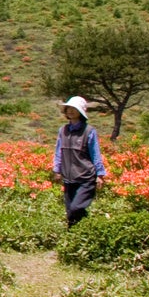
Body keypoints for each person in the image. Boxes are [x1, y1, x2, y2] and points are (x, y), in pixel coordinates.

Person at [53, 95, 107, 227]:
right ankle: (75, 237)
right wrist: (57, 170)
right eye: (68, 108)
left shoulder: (89, 131)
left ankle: (87, 229)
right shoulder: (63, 130)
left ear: (81, 112)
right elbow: (59, 151)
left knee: (76, 208)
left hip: (86, 178)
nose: (70, 111)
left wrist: (100, 175)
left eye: (74, 108)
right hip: (69, 178)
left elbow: (96, 154)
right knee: (70, 212)